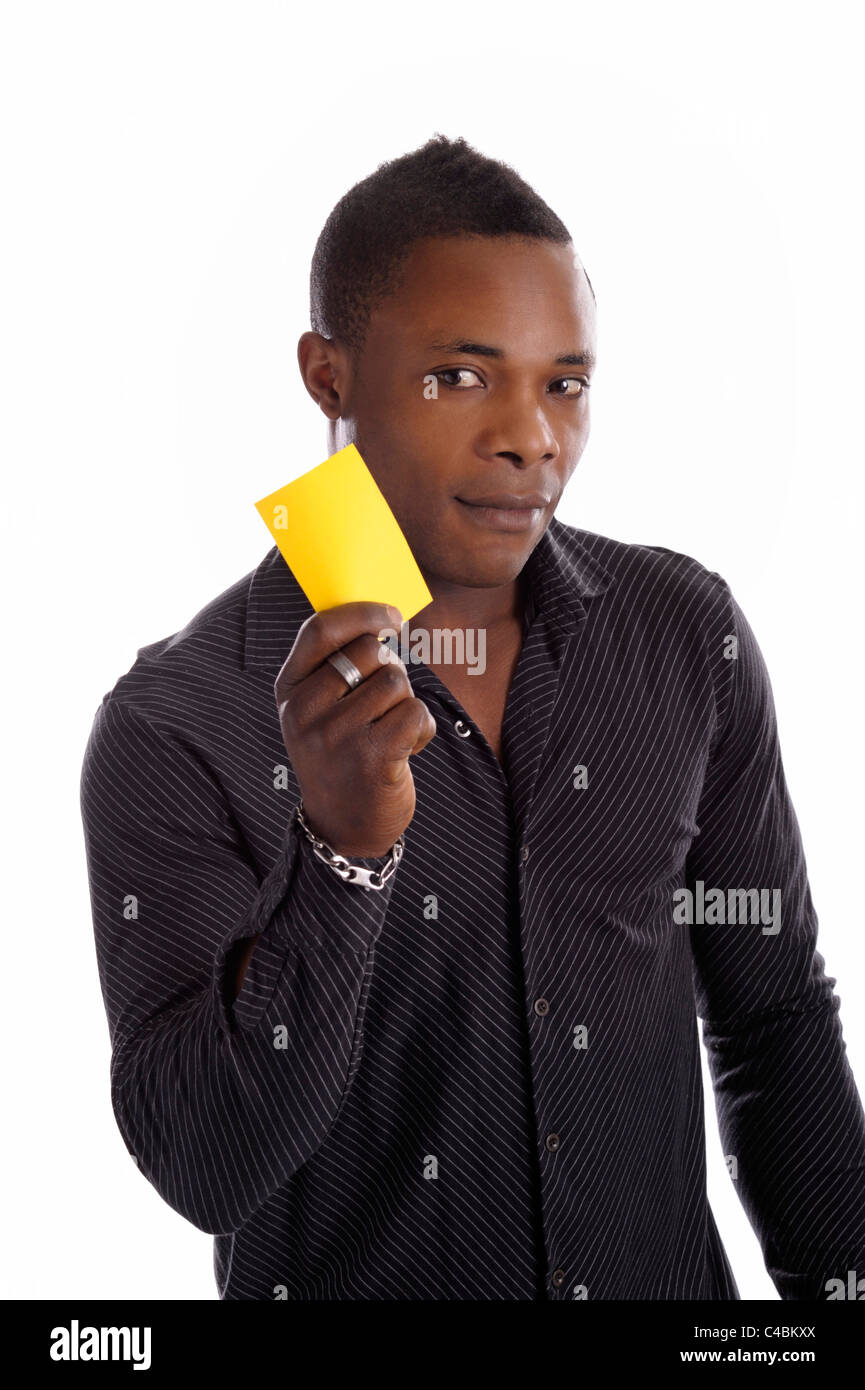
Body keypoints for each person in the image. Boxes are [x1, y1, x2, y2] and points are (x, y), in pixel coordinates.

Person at [80, 134, 865, 1300]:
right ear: (326, 375)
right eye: (460, 374)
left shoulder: (680, 633)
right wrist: (341, 860)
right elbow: (207, 1165)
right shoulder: (174, 721)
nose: (531, 436)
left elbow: (775, 1020)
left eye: (565, 383)